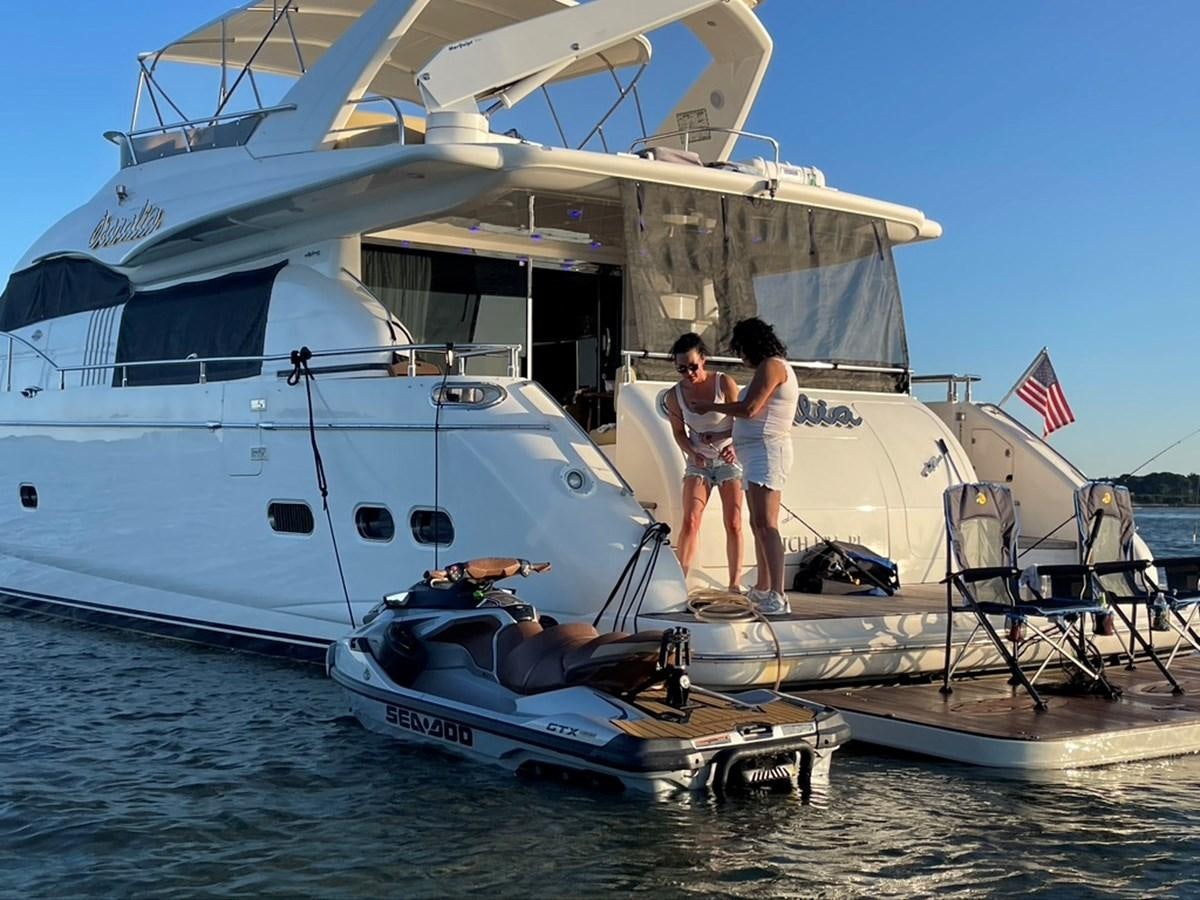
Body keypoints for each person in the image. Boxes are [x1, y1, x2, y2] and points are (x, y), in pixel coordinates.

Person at [693, 317, 797, 615]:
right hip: (754, 453)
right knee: (757, 524)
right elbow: (759, 414)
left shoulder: (772, 366)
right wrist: (724, 434)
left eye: (741, 350)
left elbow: (750, 409)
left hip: (768, 452)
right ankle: (764, 588)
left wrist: (711, 406)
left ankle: (778, 593)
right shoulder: (769, 368)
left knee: (767, 524)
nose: (741, 358)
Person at [663, 333, 744, 593]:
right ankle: (679, 581)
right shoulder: (675, 395)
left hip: (727, 459)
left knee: (734, 521)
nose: (689, 373)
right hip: (699, 461)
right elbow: (678, 432)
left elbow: (743, 420)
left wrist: (731, 444)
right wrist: (692, 451)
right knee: (690, 520)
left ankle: (734, 583)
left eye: (693, 367)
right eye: (682, 369)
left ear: (704, 360)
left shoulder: (724, 383)